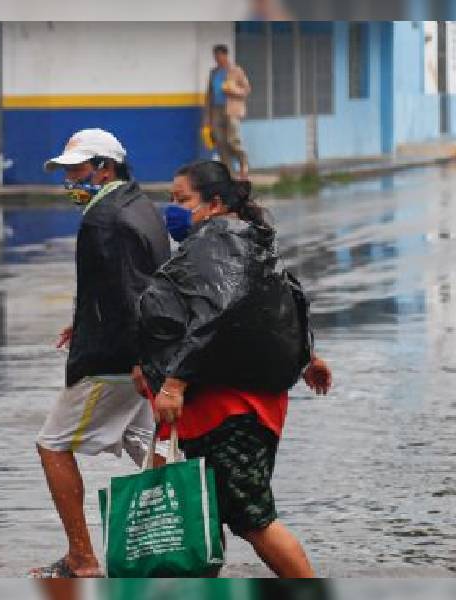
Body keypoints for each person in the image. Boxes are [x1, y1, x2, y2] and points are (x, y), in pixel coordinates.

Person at [139, 160, 332, 578]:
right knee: (207, 508)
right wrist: (308, 355)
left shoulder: (217, 242)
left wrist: (173, 383)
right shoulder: (244, 238)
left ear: (214, 203)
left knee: (250, 516)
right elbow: (283, 295)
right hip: (240, 400)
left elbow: (218, 314)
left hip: (229, 406)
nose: (172, 209)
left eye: (182, 200)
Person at [30, 128, 171, 578]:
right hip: (138, 352)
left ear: (105, 168)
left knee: (52, 446)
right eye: (67, 171)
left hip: (113, 360)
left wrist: (135, 355)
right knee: (151, 448)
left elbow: (130, 291)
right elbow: (132, 281)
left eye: (77, 170)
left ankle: (82, 559)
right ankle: (177, 542)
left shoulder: (103, 219)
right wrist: (84, 319)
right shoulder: (139, 205)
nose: (69, 180)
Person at [204, 44, 251, 179]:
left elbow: (246, 89)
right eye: (215, 56)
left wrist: (233, 90)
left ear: (225, 55)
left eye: (219, 56)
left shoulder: (236, 71)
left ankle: (243, 163)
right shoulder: (213, 72)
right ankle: (229, 173)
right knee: (220, 141)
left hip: (232, 109)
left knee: (232, 140)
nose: (217, 59)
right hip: (216, 110)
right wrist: (207, 118)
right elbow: (209, 95)